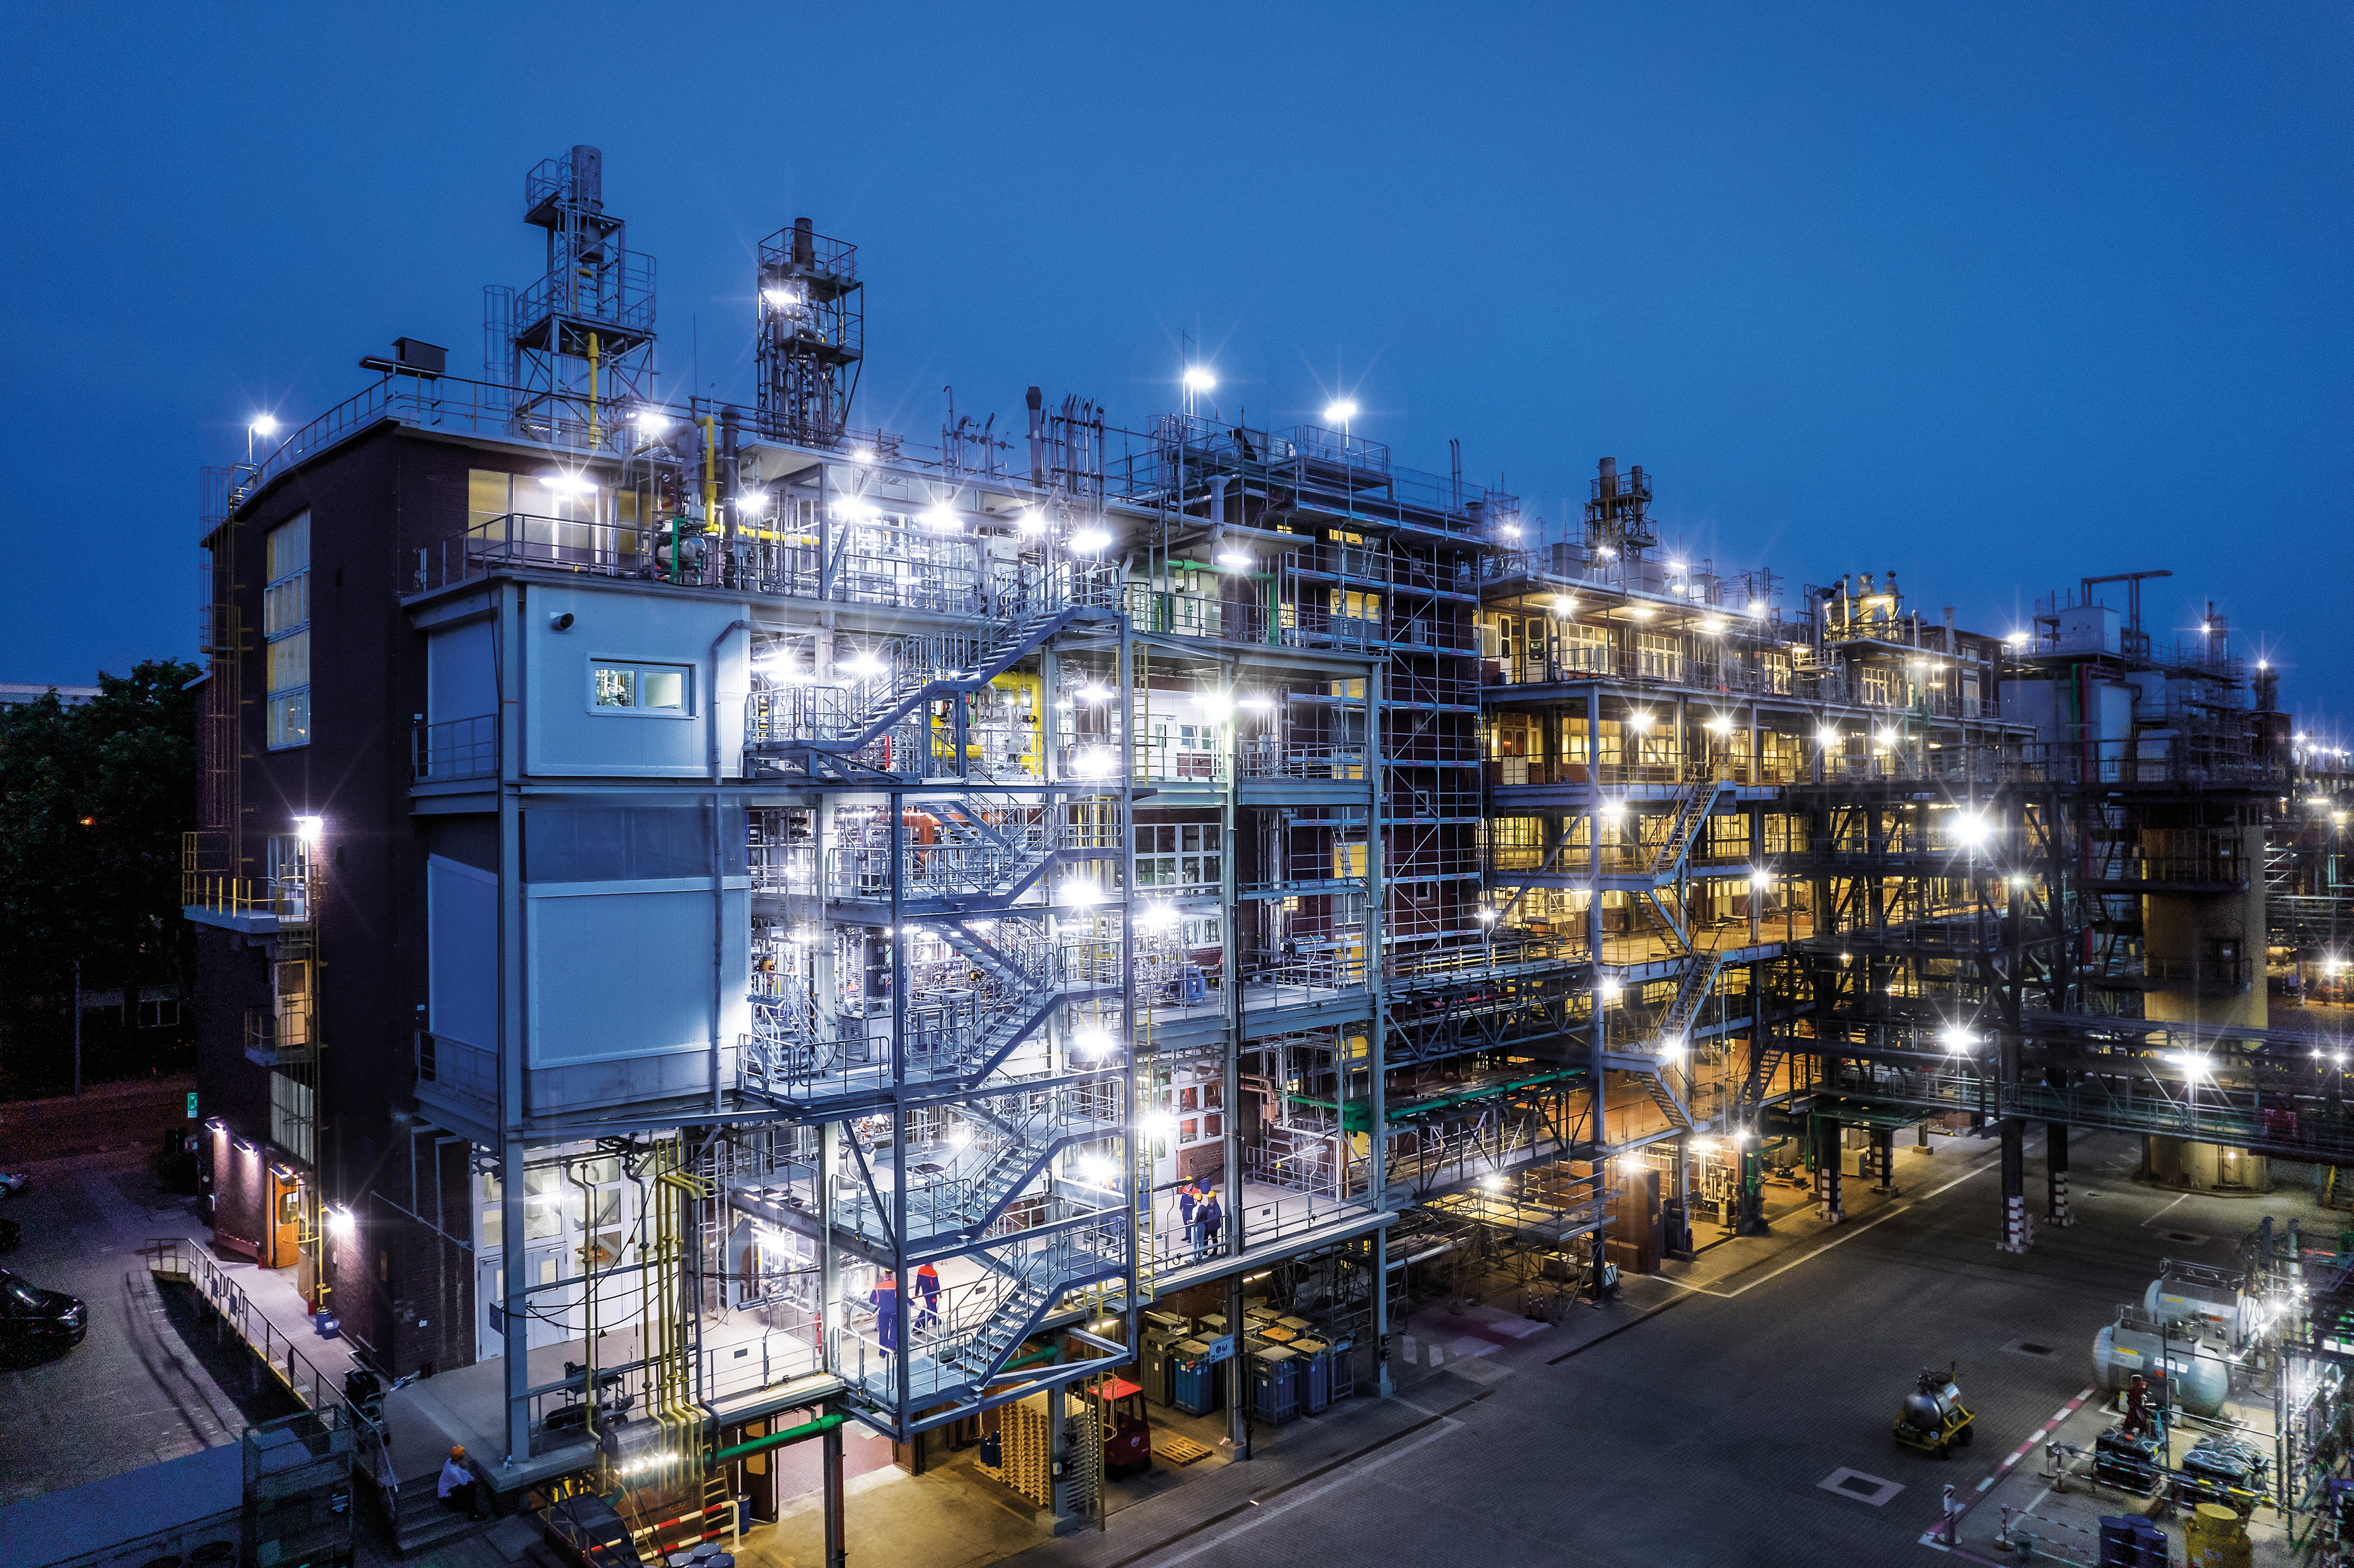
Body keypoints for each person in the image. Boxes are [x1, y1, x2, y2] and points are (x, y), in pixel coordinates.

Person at [438, 1445, 485, 1521]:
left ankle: (471, 1508)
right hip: (447, 1495)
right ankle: (473, 1513)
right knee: (469, 1488)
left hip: (450, 1489)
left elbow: (460, 1471)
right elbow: (463, 1483)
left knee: (470, 1485)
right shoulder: (453, 1471)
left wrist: (471, 1478)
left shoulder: (450, 1461)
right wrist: (467, 1473)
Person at [870, 1271, 900, 1360]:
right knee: (894, 1328)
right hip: (894, 1311)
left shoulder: (878, 1287)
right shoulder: (896, 1286)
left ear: (885, 1274)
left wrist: (870, 1312)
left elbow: (872, 1300)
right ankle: (893, 1347)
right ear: (892, 1275)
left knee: (883, 1331)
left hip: (882, 1312)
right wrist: (912, 1303)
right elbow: (903, 1297)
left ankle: (882, 1352)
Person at [1197, 1187, 1224, 1258]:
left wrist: (1211, 1218)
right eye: (1209, 1198)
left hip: (1214, 1226)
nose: (1209, 1200)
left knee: (1214, 1238)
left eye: (1211, 1198)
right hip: (1208, 1226)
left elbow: (1219, 1215)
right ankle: (1205, 1251)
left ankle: (1215, 1252)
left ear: (1214, 1198)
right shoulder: (1209, 1206)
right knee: (1205, 1238)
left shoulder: (1216, 1206)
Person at [914, 1262, 940, 1331]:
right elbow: (936, 1284)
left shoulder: (921, 1269)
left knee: (929, 1307)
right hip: (932, 1294)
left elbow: (918, 1281)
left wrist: (917, 1291)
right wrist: (939, 1293)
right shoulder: (933, 1272)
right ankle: (921, 1322)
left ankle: (935, 1321)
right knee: (932, 1309)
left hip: (925, 1293)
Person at [1177, 1181, 1200, 1255]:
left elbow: (1197, 1201)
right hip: (1185, 1209)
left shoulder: (1195, 1191)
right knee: (1186, 1222)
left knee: (1191, 1223)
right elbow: (1182, 1198)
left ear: (1191, 1183)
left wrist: (1195, 1209)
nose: (1186, 1184)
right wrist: (1181, 1206)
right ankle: (1188, 1235)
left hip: (1191, 1209)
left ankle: (1191, 1237)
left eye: (1188, 1183)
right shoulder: (1184, 1189)